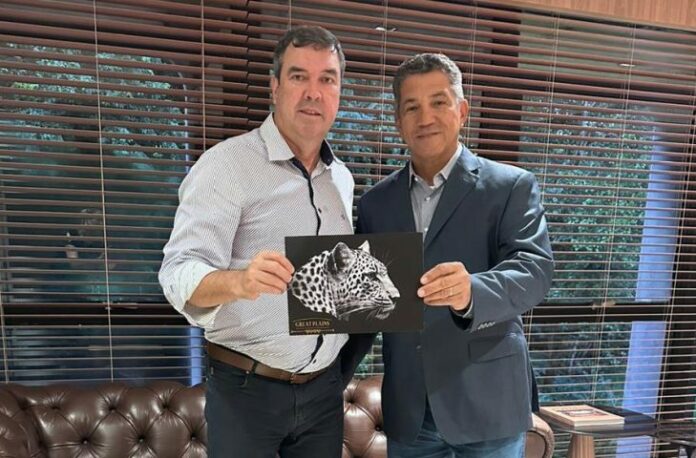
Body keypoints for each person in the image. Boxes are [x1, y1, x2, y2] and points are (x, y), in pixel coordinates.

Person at [159, 26, 354, 458]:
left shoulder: (341, 179)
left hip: (324, 391)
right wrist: (240, 281)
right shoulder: (226, 165)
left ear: (338, 92)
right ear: (274, 86)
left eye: (327, 79)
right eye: (299, 76)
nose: (314, 92)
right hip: (247, 391)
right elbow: (177, 272)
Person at [353, 53, 554, 457]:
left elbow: (535, 271)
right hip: (409, 408)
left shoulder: (510, 186)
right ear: (398, 121)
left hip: (489, 403)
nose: (425, 117)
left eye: (438, 102)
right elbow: (363, 303)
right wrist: (318, 377)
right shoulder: (376, 203)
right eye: (412, 107)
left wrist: (471, 292)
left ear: (462, 111)